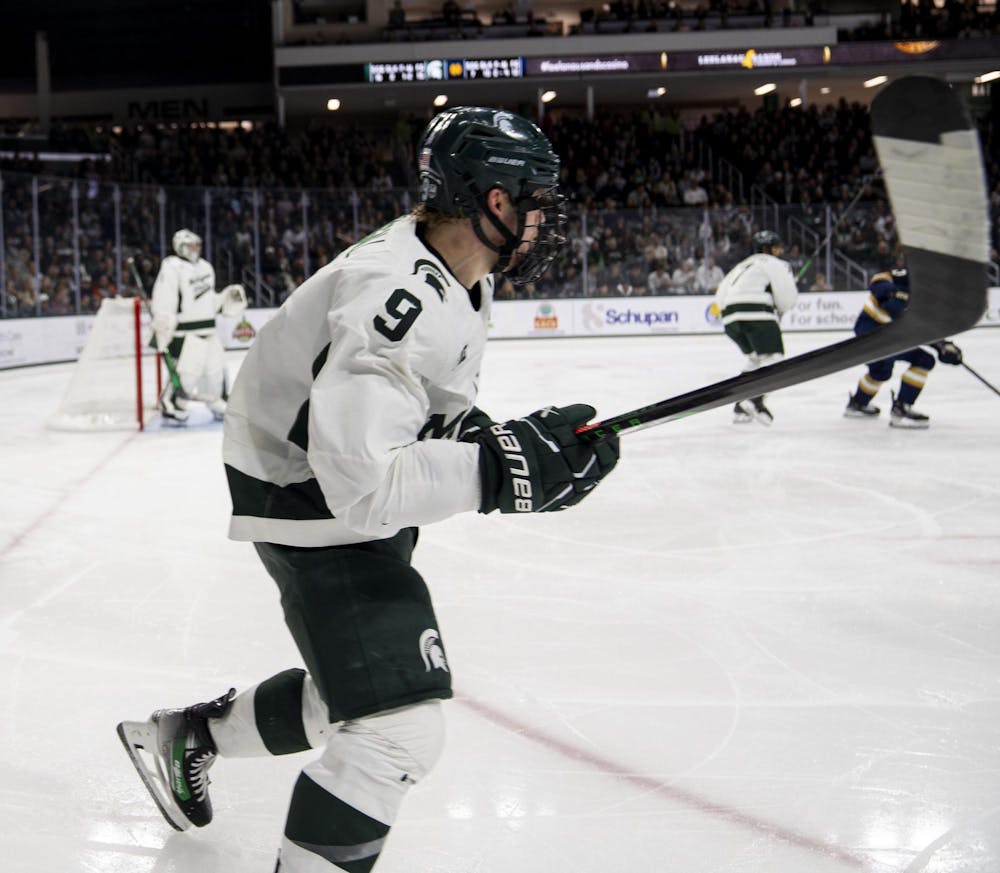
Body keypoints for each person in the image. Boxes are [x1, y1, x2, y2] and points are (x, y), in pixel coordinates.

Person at [117, 107, 620, 872]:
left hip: (317, 468)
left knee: (351, 692)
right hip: (304, 489)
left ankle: (190, 735)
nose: (543, 218)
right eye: (535, 199)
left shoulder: (460, 274)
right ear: (493, 201)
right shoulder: (399, 296)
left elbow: (413, 407)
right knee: (396, 727)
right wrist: (503, 470)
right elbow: (361, 484)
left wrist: (503, 443)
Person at [843, 266, 963, 428]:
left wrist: (943, 346)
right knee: (921, 360)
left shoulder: (930, 300)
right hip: (870, 332)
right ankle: (901, 409)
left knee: (881, 371)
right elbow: (878, 279)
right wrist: (890, 291)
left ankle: (858, 404)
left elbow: (924, 329)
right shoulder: (909, 276)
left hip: (891, 336)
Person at [150, 228, 247, 422]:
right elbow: (163, 300)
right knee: (187, 374)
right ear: (180, 246)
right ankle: (173, 404)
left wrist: (225, 298)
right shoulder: (171, 266)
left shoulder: (205, 267)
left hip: (209, 330)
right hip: (187, 333)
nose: (195, 248)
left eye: (197, 244)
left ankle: (217, 401)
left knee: (216, 371)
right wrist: (162, 327)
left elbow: (208, 300)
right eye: (191, 245)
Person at [714, 229, 798, 425]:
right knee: (774, 358)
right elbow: (787, 298)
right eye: (776, 248)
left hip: (729, 318)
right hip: (756, 312)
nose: (780, 251)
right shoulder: (776, 264)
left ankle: (739, 408)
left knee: (756, 358)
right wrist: (780, 307)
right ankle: (753, 399)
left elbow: (720, 295)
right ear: (768, 249)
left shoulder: (741, 266)